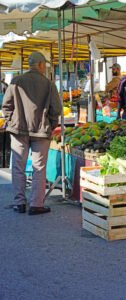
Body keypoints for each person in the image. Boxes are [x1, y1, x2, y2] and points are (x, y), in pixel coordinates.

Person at [2, 51, 62, 215]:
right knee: (39, 168)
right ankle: (36, 204)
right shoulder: (49, 84)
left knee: (18, 167)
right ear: (41, 65)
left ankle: (19, 203)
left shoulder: (16, 81)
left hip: (19, 129)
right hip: (41, 131)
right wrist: (50, 125)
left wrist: (11, 120)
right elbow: (56, 110)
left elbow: (6, 106)